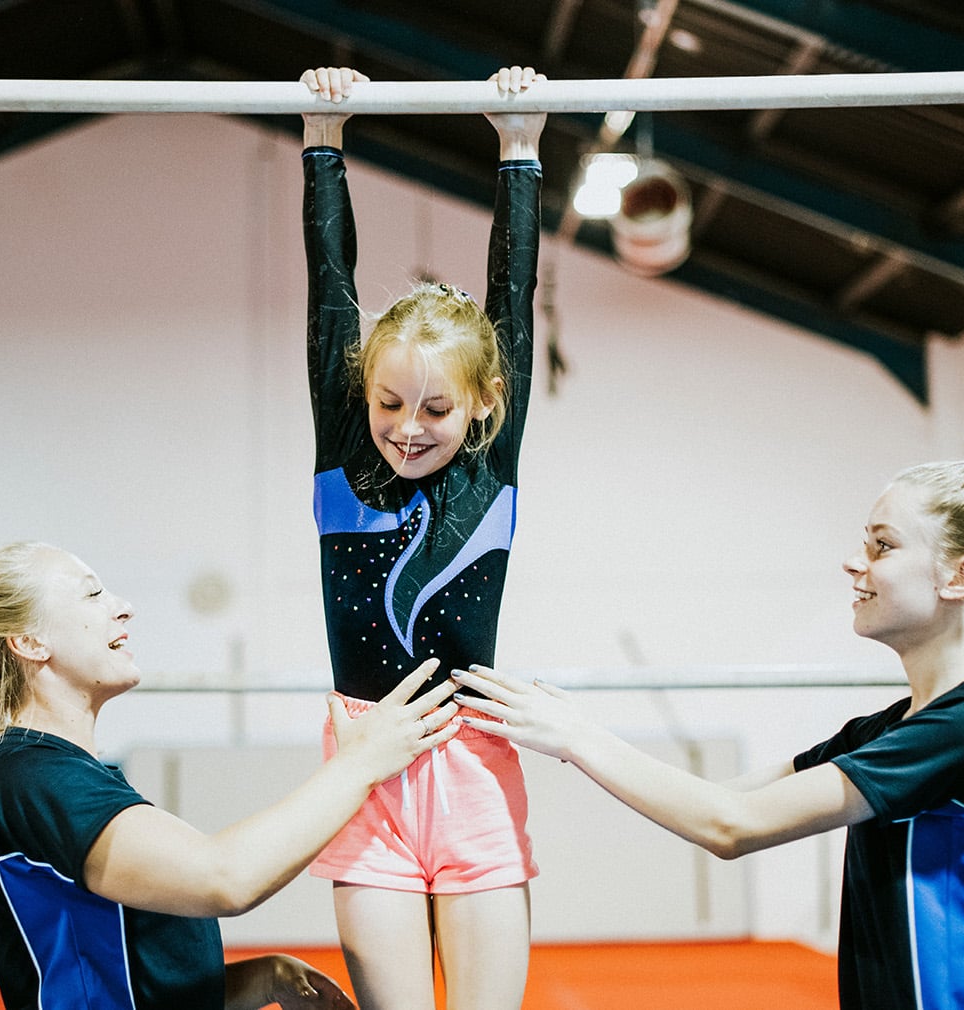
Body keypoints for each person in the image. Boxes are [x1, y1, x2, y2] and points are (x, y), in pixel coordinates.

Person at [453, 461, 964, 1010]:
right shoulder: (895, 727)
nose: (854, 563)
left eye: (882, 546)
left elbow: (731, 825)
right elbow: (714, 799)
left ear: (960, 577)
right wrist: (557, 746)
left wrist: (577, 736)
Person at [0, 542, 463, 1010]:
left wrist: (261, 979)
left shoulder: (51, 774)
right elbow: (225, 877)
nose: (122, 607)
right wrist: (358, 765)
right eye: (92, 594)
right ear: (28, 641)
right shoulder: (37, 780)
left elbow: (118, 983)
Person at [298, 65, 545, 1010]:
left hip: (473, 760)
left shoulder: (491, 464)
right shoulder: (343, 456)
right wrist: (325, 141)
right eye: (389, 401)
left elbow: (510, 294)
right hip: (365, 772)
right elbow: (331, 289)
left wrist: (518, 148)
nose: (407, 426)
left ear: (484, 402)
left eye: (436, 407)